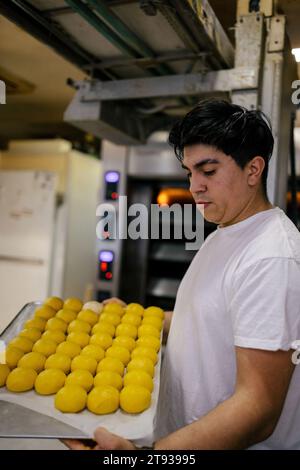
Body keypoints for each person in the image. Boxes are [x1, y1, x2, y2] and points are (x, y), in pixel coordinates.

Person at [65, 100, 300, 450]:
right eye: (190, 172)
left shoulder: (271, 257)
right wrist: (135, 318)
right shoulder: (225, 232)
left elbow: (258, 407)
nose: (194, 187)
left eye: (208, 171)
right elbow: (206, 320)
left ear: (253, 170)